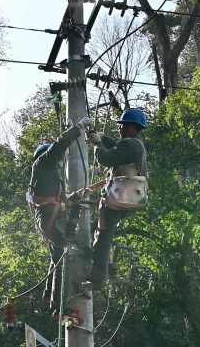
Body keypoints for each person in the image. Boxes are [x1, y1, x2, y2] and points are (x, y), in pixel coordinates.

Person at [28, 116, 93, 317]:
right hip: (49, 218)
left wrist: (79, 197)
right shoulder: (42, 164)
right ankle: (58, 307)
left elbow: (62, 198)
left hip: (49, 217)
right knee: (64, 257)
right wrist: (79, 127)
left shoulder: (47, 177)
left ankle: (50, 295)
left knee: (57, 256)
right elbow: (59, 145)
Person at [85, 108, 148, 289]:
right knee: (98, 230)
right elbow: (120, 148)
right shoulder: (137, 144)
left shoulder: (130, 145)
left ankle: (97, 278)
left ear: (130, 127)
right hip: (129, 199)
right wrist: (104, 138)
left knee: (102, 236)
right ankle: (102, 265)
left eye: (122, 126)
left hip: (118, 199)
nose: (120, 129)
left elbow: (105, 158)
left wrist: (97, 143)